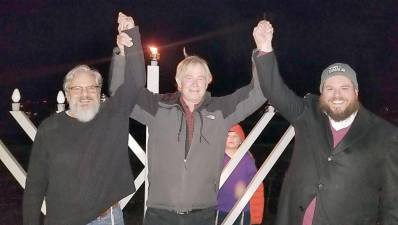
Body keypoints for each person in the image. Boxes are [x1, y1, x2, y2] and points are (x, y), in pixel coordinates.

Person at [109, 19, 269, 225]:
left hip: (202, 216)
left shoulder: (221, 111)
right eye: (188, 77)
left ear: (209, 80)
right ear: (178, 81)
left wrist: (263, 51)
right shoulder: (158, 107)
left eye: (201, 77)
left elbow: (259, 93)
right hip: (160, 214)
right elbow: (122, 94)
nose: (194, 83)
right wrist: (125, 52)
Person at [251, 20, 398, 225]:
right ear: (322, 93)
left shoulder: (385, 135)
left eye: (344, 88)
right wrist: (264, 49)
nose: (337, 95)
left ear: (356, 92)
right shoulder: (308, 113)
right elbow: (275, 92)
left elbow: (393, 204)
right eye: (329, 88)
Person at [22, 13, 145, 225]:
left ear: (99, 92)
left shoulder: (111, 115)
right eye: (77, 89)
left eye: (91, 88)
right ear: (67, 94)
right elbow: (35, 185)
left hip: (108, 219)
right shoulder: (50, 128)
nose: (85, 94)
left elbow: (135, 82)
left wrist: (130, 35)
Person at [216, 124, 264, 225]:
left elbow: (256, 185)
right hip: (218, 209)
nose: (231, 138)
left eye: (235, 136)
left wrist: (247, 188)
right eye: (228, 135)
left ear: (241, 140)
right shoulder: (216, 159)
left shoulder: (247, 160)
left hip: (241, 210)